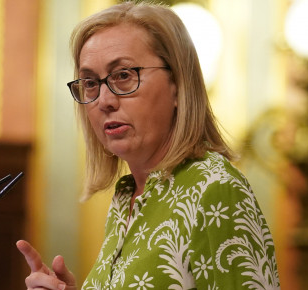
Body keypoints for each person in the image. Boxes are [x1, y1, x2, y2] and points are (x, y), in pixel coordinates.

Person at [17, 2, 280, 289]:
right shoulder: (127, 198)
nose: (104, 100)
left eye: (123, 75)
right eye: (90, 82)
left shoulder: (215, 188)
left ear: (177, 85)